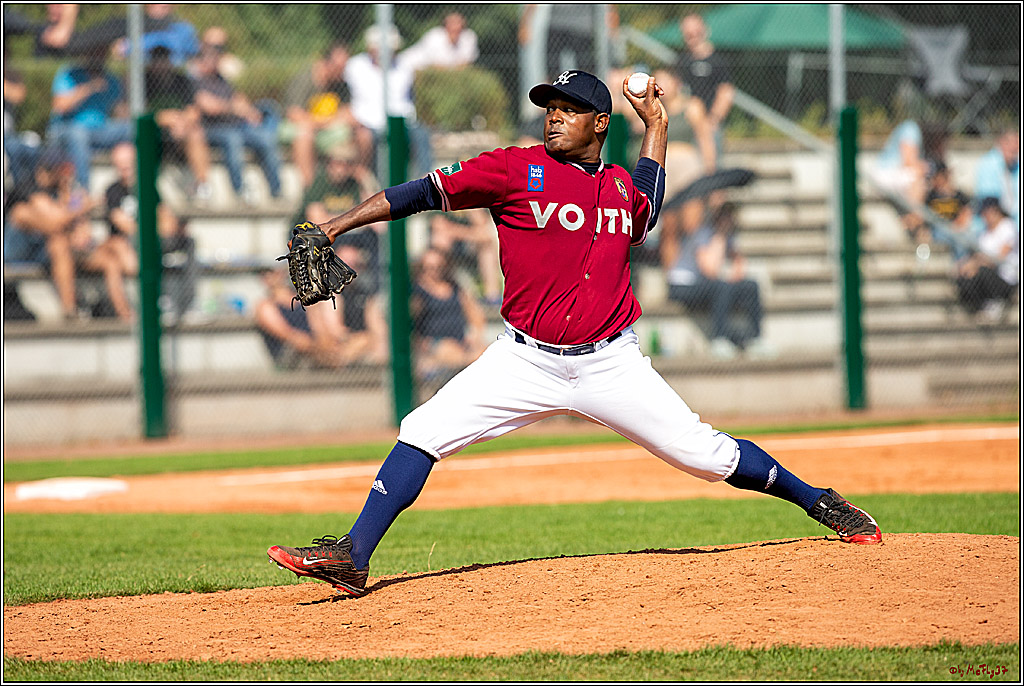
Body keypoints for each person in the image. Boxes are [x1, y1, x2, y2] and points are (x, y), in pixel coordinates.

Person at [266, 69, 882, 597]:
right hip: (523, 360)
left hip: (610, 362)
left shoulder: (617, 186)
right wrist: (337, 224)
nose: (554, 119)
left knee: (705, 455)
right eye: (550, 109)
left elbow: (648, 200)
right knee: (422, 429)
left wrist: (659, 127)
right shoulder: (511, 170)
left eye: (571, 111)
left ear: (600, 125)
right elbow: (419, 193)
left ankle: (818, 501)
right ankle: (353, 557)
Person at [3, 147, 105, 320]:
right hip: (16, 251)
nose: (66, 175)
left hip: (43, 249)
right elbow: (54, 223)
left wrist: (71, 200)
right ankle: (72, 307)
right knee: (56, 237)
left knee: (62, 244)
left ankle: (71, 309)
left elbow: (78, 230)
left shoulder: (60, 190)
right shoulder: (30, 190)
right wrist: (82, 207)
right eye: (62, 171)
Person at [663, 199, 768, 359]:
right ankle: (720, 339)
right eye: (727, 216)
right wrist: (720, 236)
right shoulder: (703, 233)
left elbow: (739, 270)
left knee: (751, 285)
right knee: (721, 287)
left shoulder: (729, 236)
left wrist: (735, 262)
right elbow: (709, 270)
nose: (731, 219)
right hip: (682, 285)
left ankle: (755, 338)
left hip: (707, 285)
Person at [102, 141, 192, 321]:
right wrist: (155, 228)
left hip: (155, 238)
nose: (125, 167)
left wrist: (164, 228)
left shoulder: (148, 187)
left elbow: (166, 218)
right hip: (129, 243)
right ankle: (160, 300)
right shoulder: (113, 191)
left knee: (187, 243)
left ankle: (188, 304)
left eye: (128, 162)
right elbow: (124, 224)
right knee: (147, 243)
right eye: (120, 164)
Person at [193, 44, 283, 204]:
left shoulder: (222, 80)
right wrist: (232, 107)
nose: (214, 63)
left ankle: (277, 190)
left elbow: (239, 100)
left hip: (237, 126)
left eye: (215, 59)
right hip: (213, 129)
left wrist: (250, 112)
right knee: (232, 139)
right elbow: (208, 106)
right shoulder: (196, 81)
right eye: (210, 59)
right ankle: (240, 191)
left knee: (265, 138)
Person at [344, 25, 432, 177]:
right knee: (366, 139)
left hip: (401, 122)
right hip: (367, 123)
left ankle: (428, 181)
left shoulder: (404, 67)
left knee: (421, 134)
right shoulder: (354, 66)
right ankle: (368, 182)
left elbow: (408, 99)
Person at [280, 43, 370, 189]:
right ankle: (310, 190)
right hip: (299, 128)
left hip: (327, 129)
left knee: (362, 133)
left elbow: (348, 113)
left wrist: (333, 122)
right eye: (339, 68)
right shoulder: (305, 79)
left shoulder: (341, 84)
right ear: (326, 63)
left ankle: (354, 184)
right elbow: (294, 114)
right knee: (304, 135)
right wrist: (328, 121)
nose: (342, 72)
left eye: (344, 68)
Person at [47, 46, 134, 191]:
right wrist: (89, 87)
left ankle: (138, 184)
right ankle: (83, 190)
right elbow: (59, 106)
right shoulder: (69, 73)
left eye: (103, 53)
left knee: (131, 128)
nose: (99, 57)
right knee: (79, 135)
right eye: (96, 52)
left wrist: (128, 82)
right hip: (67, 129)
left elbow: (121, 112)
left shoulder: (110, 79)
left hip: (100, 131)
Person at [144, 45, 212, 203]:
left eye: (164, 59)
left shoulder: (181, 80)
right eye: (157, 60)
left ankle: (203, 184)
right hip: (154, 131)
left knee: (196, 133)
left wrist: (181, 122)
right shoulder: (144, 82)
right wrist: (167, 118)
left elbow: (194, 111)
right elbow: (136, 113)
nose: (161, 64)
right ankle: (146, 187)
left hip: (180, 131)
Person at [410, 247, 487, 380]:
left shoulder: (455, 287)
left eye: (439, 267)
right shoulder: (418, 292)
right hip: (435, 343)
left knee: (486, 351)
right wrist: (421, 344)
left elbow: (475, 314)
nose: (434, 271)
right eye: (429, 268)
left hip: (461, 341)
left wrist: (474, 333)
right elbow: (411, 323)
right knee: (452, 351)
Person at [674, 14, 734, 174]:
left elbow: (726, 93)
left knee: (712, 169)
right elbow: (677, 91)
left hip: (709, 122)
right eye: (688, 33)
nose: (692, 37)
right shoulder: (682, 61)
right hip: (688, 124)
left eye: (695, 32)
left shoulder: (717, 61)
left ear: (703, 31)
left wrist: (713, 119)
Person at [955, 197, 1018, 322]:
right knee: (964, 275)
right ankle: (980, 305)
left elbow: (1000, 256)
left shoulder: (1008, 226)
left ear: (994, 211)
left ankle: (997, 300)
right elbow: (978, 255)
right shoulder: (985, 233)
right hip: (987, 271)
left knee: (981, 271)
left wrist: (976, 265)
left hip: (1006, 278)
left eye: (985, 213)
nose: (984, 217)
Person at [427, 209, 502, 305]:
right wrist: (465, 232)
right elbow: (439, 226)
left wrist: (454, 231)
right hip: (449, 249)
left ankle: (492, 296)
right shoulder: (442, 201)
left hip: (467, 245)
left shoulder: (472, 205)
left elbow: (484, 234)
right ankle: (440, 292)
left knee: (486, 248)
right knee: (441, 239)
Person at [400, 12, 479, 72]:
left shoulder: (468, 38)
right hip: (406, 67)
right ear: (446, 26)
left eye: (459, 27)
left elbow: (466, 63)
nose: (456, 29)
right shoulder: (434, 37)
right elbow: (436, 66)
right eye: (452, 26)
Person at [973, 128, 1019, 230]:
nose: (1016, 148)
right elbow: (989, 204)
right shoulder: (989, 163)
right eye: (1013, 144)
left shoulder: (1016, 166)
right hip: (994, 225)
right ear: (1002, 143)